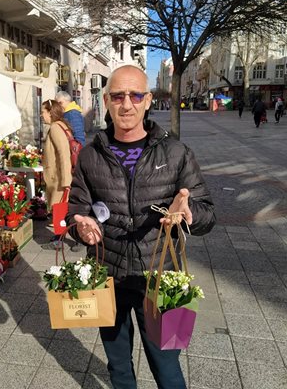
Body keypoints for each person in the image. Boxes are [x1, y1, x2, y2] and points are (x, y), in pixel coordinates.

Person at [66, 65, 216, 388]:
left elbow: (208, 213)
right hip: (109, 278)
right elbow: (75, 210)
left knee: (168, 370)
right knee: (119, 368)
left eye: (135, 95)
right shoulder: (90, 156)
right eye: (118, 96)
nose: (127, 104)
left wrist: (189, 212)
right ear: (106, 101)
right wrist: (79, 227)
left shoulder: (175, 152)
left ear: (147, 100)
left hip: (159, 280)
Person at [40, 100, 75, 251]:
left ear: (50, 112)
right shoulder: (61, 125)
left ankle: (61, 240)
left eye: (43, 112)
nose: (42, 115)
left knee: (59, 209)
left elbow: (63, 153)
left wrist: (66, 180)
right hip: (59, 176)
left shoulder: (55, 127)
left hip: (60, 177)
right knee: (61, 209)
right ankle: (60, 239)